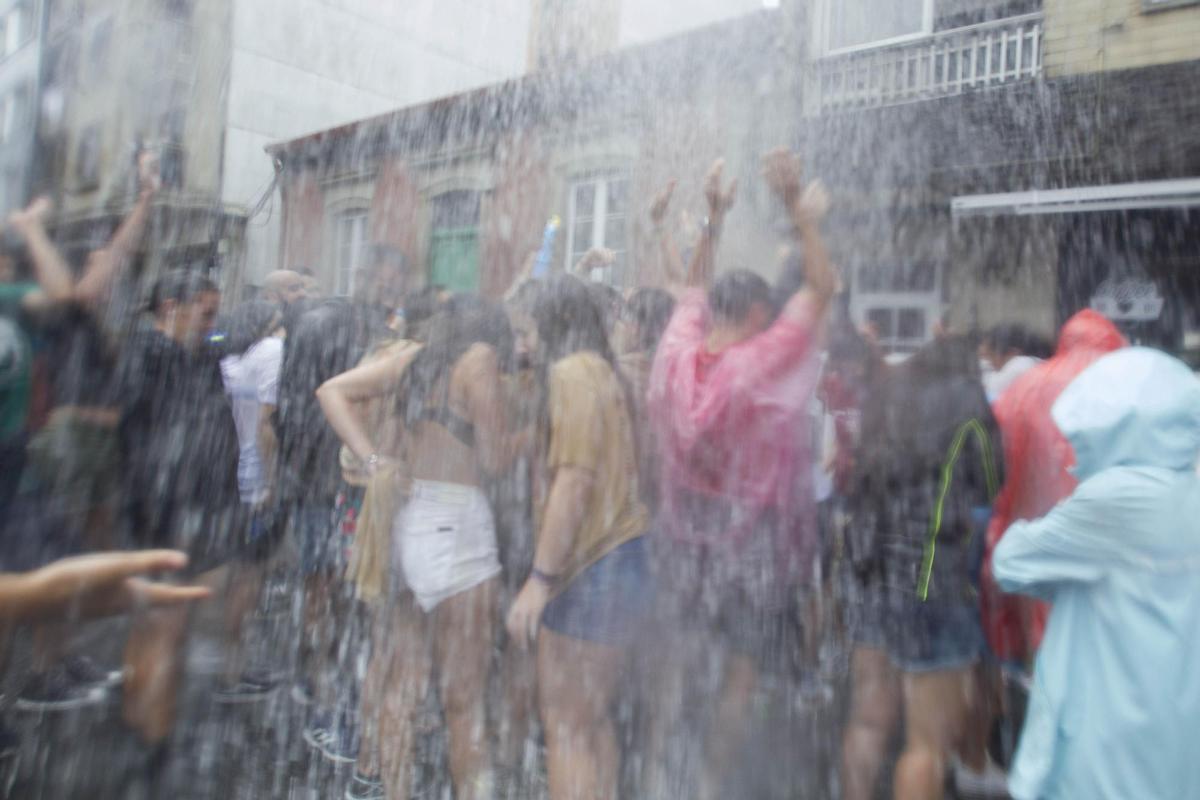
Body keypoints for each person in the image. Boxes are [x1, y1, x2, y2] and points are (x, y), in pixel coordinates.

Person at [643, 151, 834, 799]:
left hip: (681, 536)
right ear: (757, 316)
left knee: (679, 659)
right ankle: (710, 786)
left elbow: (690, 290)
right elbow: (819, 291)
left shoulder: (673, 353)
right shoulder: (756, 365)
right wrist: (794, 210)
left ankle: (661, 770)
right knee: (741, 676)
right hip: (747, 544)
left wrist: (713, 222)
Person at [319, 294, 514, 800]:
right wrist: (530, 431)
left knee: (399, 691)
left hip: (410, 524)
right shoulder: (481, 362)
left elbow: (331, 391)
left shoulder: (416, 358)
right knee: (463, 704)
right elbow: (495, 460)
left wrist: (374, 459)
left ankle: (393, 790)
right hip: (462, 535)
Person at [993, 347, 1200, 800]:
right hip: (1177, 724)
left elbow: (1011, 561)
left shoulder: (1112, 500)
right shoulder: (1190, 491)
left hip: (1109, 733)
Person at [504, 274, 651, 800]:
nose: (523, 345)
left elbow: (574, 481)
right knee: (593, 722)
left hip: (592, 567)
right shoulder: (604, 370)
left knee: (565, 727)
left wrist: (540, 581)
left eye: (528, 332)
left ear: (553, 326)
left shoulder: (570, 374)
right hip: (625, 558)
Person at [844, 335, 1004, 800]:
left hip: (871, 573)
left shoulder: (887, 392)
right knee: (926, 746)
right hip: (933, 577)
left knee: (868, 722)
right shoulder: (967, 399)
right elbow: (994, 478)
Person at [114, 269, 242, 746]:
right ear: (171, 308)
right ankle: (153, 744)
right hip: (166, 513)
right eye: (205, 313)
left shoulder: (193, 354)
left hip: (184, 508)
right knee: (164, 624)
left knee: (159, 623)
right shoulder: (148, 357)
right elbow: (141, 446)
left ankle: (140, 727)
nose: (212, 325)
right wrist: (171, 516)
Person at [981, 309, 1126, 666]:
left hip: (1036, 535)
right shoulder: (1130, 386)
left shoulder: (1024, 387)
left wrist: (999, 535)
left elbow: (999, 471)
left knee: (1043, 638)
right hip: (1115, 547)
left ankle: (1026, 690)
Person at [214, 299, 287, 702]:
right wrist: (270, 482)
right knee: (249, 573)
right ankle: (233, 670)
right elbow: (266, 425)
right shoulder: (271, 353)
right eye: (279, 322)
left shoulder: (231, 360)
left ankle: (232, 664)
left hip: (233, 475)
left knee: (241, 570)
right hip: (255, 478)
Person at [979, 323, 1051, 403]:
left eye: (989, 357)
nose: (988, 363)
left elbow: (992, 387)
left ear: (1012, 353)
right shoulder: (1041, 365)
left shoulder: (1021, 365)